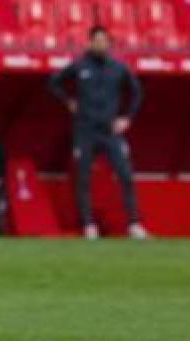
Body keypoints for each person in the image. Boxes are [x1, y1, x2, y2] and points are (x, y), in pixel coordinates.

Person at [48, 25, 148, 240]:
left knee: (125, 174)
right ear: (90, 42)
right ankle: (89, 225)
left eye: (104, 40)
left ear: (110, 44)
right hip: (85, 131)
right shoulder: (79, 65)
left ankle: (134, 224)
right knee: (83, 177)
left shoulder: (119, 68)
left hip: (110, 132)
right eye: (97, 40)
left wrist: (127, 118)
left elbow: (137, 92)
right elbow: (54, 82)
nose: (101, 44)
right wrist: (68, 101)